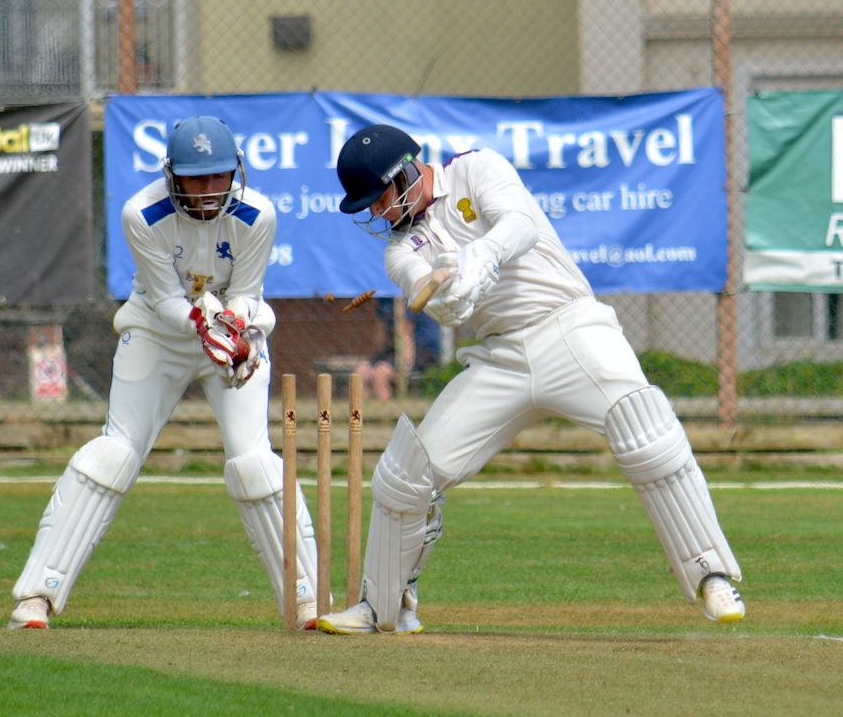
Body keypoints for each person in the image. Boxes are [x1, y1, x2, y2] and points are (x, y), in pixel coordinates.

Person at [316, 125, 745, 635]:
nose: (378, 213)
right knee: (407, 472)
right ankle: (383, 606)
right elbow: (439, 303)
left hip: (570, 326)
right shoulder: (400, 249)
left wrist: (485, 254)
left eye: (379, 197)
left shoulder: (475, 168)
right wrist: (457, 293)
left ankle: (713, 576)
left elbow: (520, 224)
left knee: (645, 430)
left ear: (405, 172)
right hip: (500, 357)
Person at [9, 116, 320, 630]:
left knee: (252, 460)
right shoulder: (142, 214)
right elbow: (166, 299)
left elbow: (247, 291)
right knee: (114, 454)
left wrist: (234, 330)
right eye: (197, 180)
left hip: (230, 334)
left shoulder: (257, 213)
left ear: (236, 171)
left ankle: (307, 599)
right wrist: (202, 322)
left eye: (219, 177)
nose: (209, 191)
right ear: (172, 177)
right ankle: (37, 595)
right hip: (159, 332)